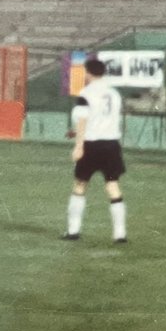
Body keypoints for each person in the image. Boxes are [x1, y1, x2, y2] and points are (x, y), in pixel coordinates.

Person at [62, 58, 127, 243]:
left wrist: (78, 145)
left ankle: (73, 231)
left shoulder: (86, 93)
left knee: (80, 185)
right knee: (112, 185)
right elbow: (105, 118)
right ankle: (120, 234)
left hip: (91, 144)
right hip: (111, 144)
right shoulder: (114, 94)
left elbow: (83, 120)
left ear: (88, 73)